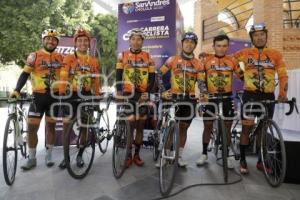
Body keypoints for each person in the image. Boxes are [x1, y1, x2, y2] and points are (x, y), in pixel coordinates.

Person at [233, 23, 288, 174]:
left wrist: (283, 93)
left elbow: (283, 75)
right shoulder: (245, 52)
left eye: (262, 34)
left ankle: (260, 162)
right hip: (250, 95)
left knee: (264, 129)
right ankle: (243, 159)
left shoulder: (275, 54)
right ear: (252, 38)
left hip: (268, 95)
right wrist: (241, 75)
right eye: (256, 35)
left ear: (266, 36)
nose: (259, 37)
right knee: (246, 127)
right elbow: (231, 61)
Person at [9, 29, 63, 170]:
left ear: (57, 42)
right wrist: (17, 90)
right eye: (47, 39)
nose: (50, 41)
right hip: (38, 97)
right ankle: (32, 158)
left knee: (50, 127)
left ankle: (49, 155)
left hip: (55, 97)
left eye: (54, 40)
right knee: (32, 128)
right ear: (43, 40)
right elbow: (24, 74)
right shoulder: (35, 55)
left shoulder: (61, 57)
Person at [157, 32, 205, 167]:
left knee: (184, 128)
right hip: (173, 98)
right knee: (171, 127)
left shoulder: (198, 64)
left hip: (189, 99)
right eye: (187, 42)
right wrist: (162, 91)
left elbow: (201, 83)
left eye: (192, 42)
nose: (189, 44)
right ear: (182, 43)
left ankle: (179, 156)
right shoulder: (173, 59)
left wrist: (204, 93)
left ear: (195, 45)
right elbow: (158, 74)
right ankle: (165, 156)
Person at [195, 34, 243, 168]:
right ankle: (204, 154)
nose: (221, 49)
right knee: (208, 126)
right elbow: (200, 79)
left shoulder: (232, 60)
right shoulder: (206, 60)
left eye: (224, 46)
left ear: (228, 46)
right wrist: (204, 93)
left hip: (227, 97)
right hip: (211, 98)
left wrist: (251, 84)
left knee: (227, 127)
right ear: (214, 46)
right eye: (218, 46)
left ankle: (226, 154)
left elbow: (242, 76)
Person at [58, 28, 100, 169]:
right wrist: (63, 93)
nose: (82, 43)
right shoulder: (69, 58)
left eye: (85, 41)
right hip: (71, 94)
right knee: (66, 126)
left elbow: (96, 80)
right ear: (75, 43)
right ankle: (66, 157)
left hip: (87, 94)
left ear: (89, 44)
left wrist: (97, 94)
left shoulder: (93, 61)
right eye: (79, 40)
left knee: (85, 126)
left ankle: (80, 154)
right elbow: (63, 76)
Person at [115, 28, 155, 167]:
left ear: (142, 41)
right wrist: (119, 91)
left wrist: (147, 93)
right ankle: (128, 155)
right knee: (130, 126)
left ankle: (137, 155)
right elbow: (118, 74)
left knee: (140, 127)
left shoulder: (149, 57)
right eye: (133, 39)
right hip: (128, 94)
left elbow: (152, 78)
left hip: (142, 95)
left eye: (139, 39)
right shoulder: (123, 55)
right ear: (129, 40)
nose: (136, 42)